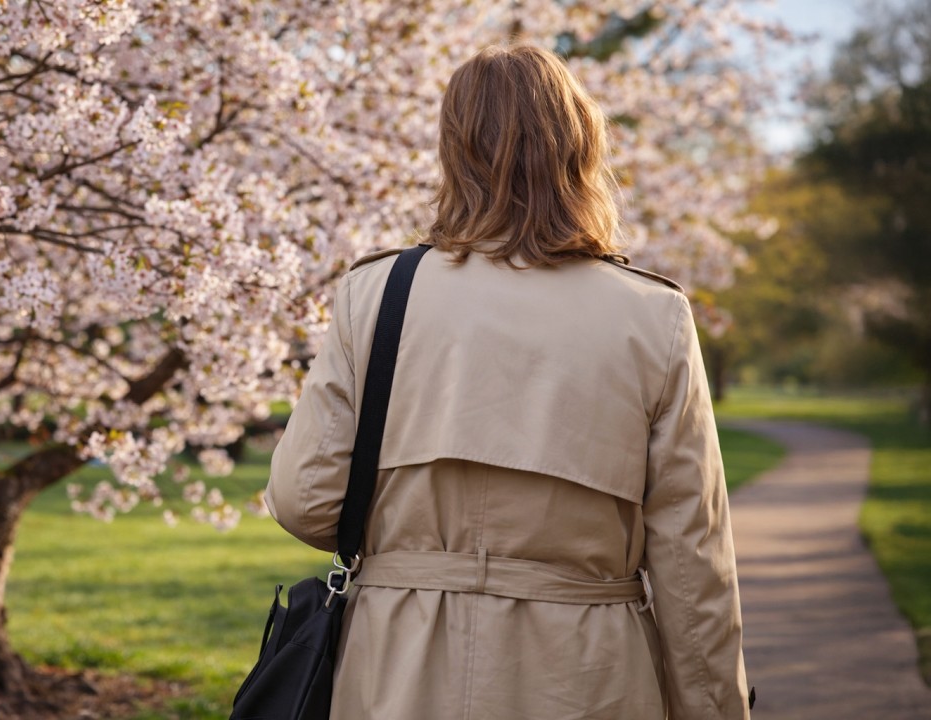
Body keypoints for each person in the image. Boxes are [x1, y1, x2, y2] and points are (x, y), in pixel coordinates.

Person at [264, 44, 750, 719]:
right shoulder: (653, 315)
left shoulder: (377, 293)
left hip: (398, 664)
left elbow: (304, 501)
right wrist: (717, 708)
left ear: (454, 150)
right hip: (588, 673)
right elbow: (693, 561)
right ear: (579, 147)